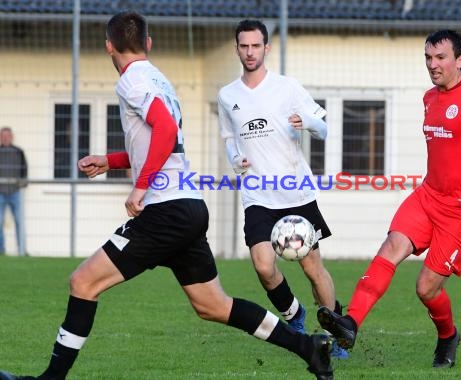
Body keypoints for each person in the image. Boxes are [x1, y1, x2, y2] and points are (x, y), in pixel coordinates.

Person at [0, 11, 334, 380]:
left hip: (165, 210)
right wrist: (111, 161)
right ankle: (309, 347)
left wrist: (140, 186)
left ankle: (50, 379)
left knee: (83, 282)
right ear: (148, 44)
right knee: (212, 305)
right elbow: (166, 142)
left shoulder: (132, 80)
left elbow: (161, 130)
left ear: (109, 47)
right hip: (188, 207)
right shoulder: (159, 78)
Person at [317, 29, 461, 369]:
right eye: (428, 58)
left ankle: (447, 336)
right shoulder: (429, 98)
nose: (433, 64)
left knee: (426, 288)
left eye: (440, 58)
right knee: (391, 247)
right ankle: (350, 324)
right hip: (429, 196)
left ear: (460, 60)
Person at [217, 19, 348, 359]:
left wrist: (308, 123)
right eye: (243, 46)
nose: (249, 52)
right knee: (263, 265)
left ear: (266, 48)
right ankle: (295, 316)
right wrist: (235, 159)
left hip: (295, 192)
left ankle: (332, 332)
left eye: (255, 46)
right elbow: (229, 139)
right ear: (237, 49)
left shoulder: (287, 88)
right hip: (258, 195)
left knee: (312, 268)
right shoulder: (227, 95)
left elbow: (324, 129)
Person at [0, 126, 27, 256]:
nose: (5, 138)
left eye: (7, 136)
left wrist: (23, 182)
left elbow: (24, 169)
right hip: (0, 192)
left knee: (18, 221)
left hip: (15, 192)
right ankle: (1, 251)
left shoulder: (19, 152)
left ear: (11, 137)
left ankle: (21, 251)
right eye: (3, 136)